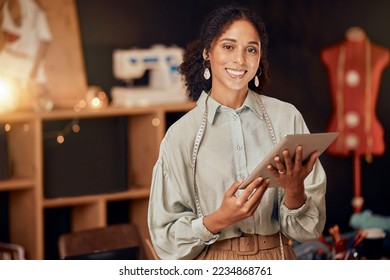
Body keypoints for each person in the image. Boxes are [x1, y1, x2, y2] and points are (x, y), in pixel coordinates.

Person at [148, 6, 326, 260]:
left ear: (259, 57)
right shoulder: (180, 136)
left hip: (278, 258)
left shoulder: (287, 117)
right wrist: (218, 219)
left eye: (250, 49)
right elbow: (165, 239)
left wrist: (294, 190)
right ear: (207, 53)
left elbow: (308, 229)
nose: (240, 60)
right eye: (228, 47)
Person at [0, 0, 52, 110]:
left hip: (29, 62)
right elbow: (5, 36)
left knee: (39, 99)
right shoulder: (5, 5)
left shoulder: (37, 11)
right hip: (7, 61)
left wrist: (35, 69)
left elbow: (44, 40)